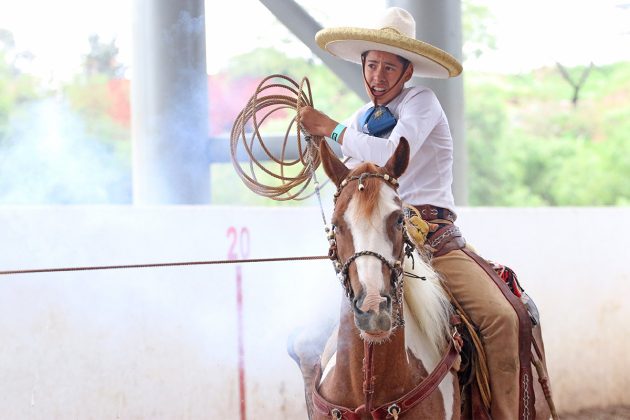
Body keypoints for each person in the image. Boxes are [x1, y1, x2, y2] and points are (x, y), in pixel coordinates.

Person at [297, 7, 533, 420]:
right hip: (376, 240)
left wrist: (329, 128)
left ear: (407, 73)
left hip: (434, 237)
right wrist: (318, 142)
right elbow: (350, 173)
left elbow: (389, 157)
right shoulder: (360, 120)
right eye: (372, 65)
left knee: (502, 318)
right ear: (364, 67)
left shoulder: (422, 102)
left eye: (390, 67)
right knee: (302, 337)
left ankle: (505, 414)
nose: (378, 76)